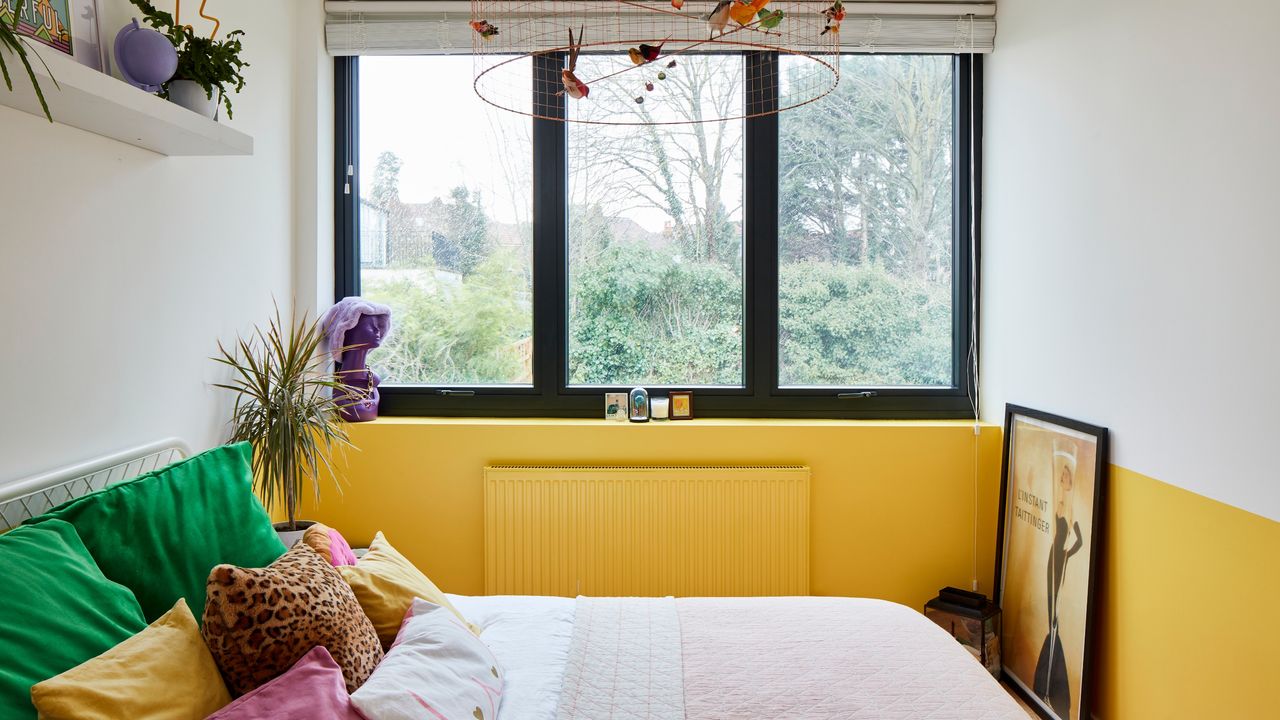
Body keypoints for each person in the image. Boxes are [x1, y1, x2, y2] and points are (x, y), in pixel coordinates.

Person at [1034, 441, 1083, 716]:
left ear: (1069, 479)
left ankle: (1052, 686)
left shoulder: (1070, 509)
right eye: (1062, 474)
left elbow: (1080, 542)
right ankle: (1047, 685)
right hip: (1053, 558)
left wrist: (1067, 556)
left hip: (1058, 562)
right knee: (1050, 616)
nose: (1062, 477)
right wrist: (1061, 554)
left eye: (1065, 475)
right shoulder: (1060, 502)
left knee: (1055, 619)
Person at [319, 298, 392, 422]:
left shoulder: (372, 380)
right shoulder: (341, 384)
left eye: (378, 326)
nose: (377, 330)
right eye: (370, 326)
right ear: (345, 331)